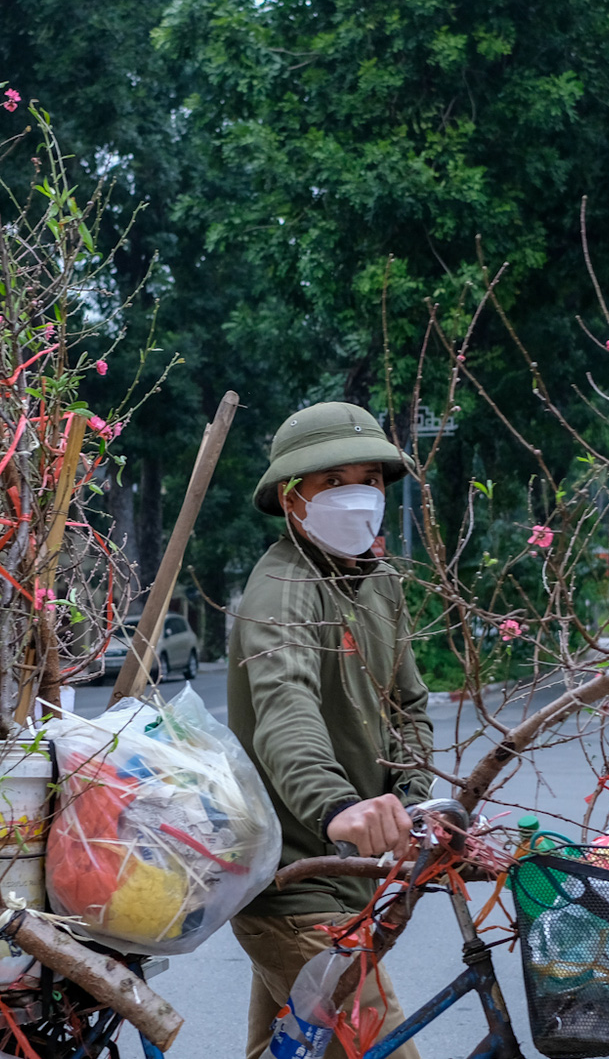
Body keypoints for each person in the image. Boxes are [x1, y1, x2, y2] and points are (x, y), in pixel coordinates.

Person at [226, 401, 433, 1059]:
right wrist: (340, 805)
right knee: (383, 1049)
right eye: (334, 481)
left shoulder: (380, 585)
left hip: (354, 880)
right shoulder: (283, 588)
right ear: (293, 497)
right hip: (294, 883)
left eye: (369, 479)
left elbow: (409, 709)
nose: (359, 496)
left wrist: (414, 799)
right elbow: (285, 714)